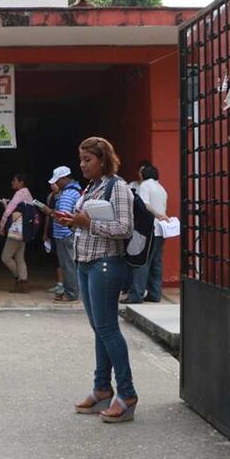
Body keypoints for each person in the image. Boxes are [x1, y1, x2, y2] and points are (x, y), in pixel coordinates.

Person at [53, 137, 138, 423]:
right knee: (99, 329)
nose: (83, 165)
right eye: (81, 160)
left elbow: (124, 228)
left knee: (108, 329)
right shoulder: (91, 187)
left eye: (88, 160)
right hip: (86, 263)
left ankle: (126, 394)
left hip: (106, 265)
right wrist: (72, 221)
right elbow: (86, 223)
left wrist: (86, 223)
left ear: (103, 159)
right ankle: (102, 388)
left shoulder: (119, 188)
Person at [124, 162, 169, 304]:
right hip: (161, 230)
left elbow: (144, 205)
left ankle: (136, 294)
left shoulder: (144, 186)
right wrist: (161, 216)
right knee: (156, 262)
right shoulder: (161, 188)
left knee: (141, 261)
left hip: (148, 228)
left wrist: (156, 215)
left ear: (143, 174)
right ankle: (154, 293)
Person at [47, 166, 82, 303]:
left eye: (58, 181)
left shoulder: (67, 194)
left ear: (64, 178)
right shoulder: (76, 190)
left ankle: (71, 293)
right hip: (68, 233)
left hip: (65, 234)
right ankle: (70, 291)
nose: (56, 184)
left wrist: (48, 211)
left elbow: (63, 216)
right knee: (69, 264)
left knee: (68, 264)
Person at [0, 173, 33, 293]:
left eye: (14, 181)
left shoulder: (20, 194)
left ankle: (19, 279)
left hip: (16, 230)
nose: (12, 183)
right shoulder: (28, 194)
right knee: (20, 257)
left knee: (6, 257)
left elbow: (9, 211)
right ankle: (23, 283)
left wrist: (2, 226)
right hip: (25, 230)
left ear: (21, 182)